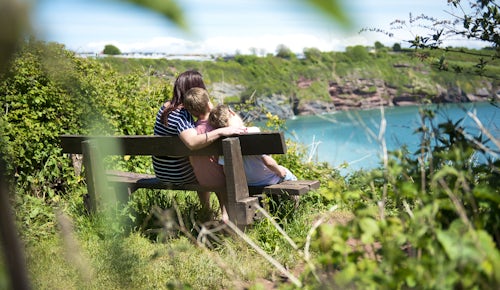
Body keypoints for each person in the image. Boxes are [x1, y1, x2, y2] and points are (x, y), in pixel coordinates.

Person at [152, 70, 246, 221]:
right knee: (212, 167)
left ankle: (206, 210)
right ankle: (224, 213)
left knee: (201, 162)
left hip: (162, 170)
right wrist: (222, 131)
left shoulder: (165, 108)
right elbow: (192, 142)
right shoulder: (182, 113)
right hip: (177, 173)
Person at [209, 104, 298, 187]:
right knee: (290, 177)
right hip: (269, 179)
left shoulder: (222, 141)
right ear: (231, 112)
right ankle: (295, 203)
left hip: (247, 183)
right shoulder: (253, 131)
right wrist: (281, 172)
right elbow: (268, 162)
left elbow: (226, 171)